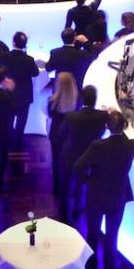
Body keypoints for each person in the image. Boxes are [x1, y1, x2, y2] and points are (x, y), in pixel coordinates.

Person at [74, 110, 134, 269]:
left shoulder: (97, 146)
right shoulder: (132, 145)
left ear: (106, 127)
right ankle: (109, 266)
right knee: (112, 234)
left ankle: (91, 264)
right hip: (118, 196)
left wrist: (89, 180)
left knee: (93, 232)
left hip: (96, 195)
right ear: (124, 125)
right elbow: (127, 136)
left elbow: (78, 167)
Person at [56, 86, 108, 224]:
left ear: (81, 98)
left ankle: (63, 216)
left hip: (70, 156)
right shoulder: (103, 116)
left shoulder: (71, 116)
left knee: (66, 187)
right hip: (90, 158)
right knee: (82, 185)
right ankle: (78, 211)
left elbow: (61, 133)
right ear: (95, 100)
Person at [0, 32, 40, 149]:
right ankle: (18, 142)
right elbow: (35, 73)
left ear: (13, 42)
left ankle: (9, 140)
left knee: (9, 119)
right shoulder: (29, 59)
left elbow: (0, 71)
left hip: (8, 93)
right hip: (24, 96)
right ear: (25, 44)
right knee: (21, 122)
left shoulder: (4, 56)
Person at [47, 72, 80, 202]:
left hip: (55, 135)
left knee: (55, 161)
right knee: (68, 163)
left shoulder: (52, 102)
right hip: (70, 135)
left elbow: (50, 115)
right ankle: (67, 189)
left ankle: (56, 189)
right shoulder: (77, 101)